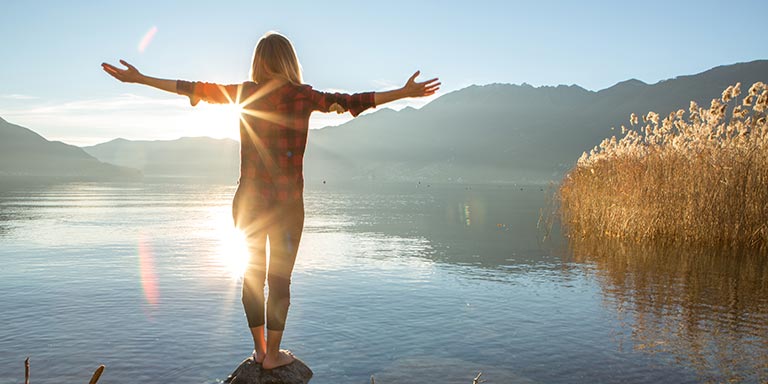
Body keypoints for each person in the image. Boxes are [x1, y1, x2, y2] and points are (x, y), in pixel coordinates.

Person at [102, 31, 439, 369]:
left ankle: (260, 350)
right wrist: (404, 92)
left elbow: (191, 87)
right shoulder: (303, 96)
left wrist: (140, 78)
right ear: (290, 61)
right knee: (280, 280)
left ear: (258, 62)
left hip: (248, 199)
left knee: (251, 275)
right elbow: (353, 101)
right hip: (287, 204)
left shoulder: (244, 93)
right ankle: (274, 356)